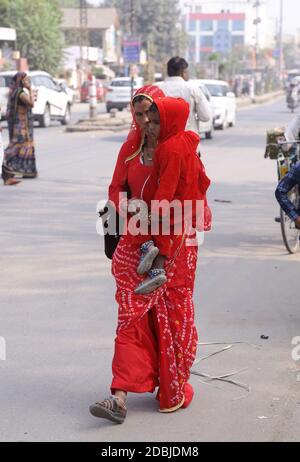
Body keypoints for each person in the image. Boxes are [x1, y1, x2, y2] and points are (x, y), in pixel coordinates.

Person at [89, 86, 211, 423]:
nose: (145, 122)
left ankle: (171, 385)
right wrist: (131, 212)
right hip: (137, 242)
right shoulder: (130, 149)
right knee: (130, 317)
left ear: (161, 115)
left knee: (173, 317)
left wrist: (167, 229)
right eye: (140, 115)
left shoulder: (181, 147)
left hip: (174, 248)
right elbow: (115, 189)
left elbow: (193, 195)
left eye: (150, 115)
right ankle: (119, 395)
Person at [132, 97, 211, 295]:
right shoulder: (183, 139)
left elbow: (167, 184)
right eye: (151, 122)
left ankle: (156, 267)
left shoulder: (170, 149)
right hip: (185, 201)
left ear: (171, 123)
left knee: (158, 224)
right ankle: (151, 254)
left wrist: (158, 209)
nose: (151, 128)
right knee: (154, 219)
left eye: (158, 123)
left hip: (177, 202)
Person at [155, 56, 211, 137]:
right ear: (183, 72)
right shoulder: (193, 90)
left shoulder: (157, 90)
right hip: (188, 141)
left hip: (163, 141)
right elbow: (206, 116)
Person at [2, 72, 37, 185]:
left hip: (20, 123)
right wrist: (30, 89)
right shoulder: (20, 93)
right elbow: (31, 104)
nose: (28, 82)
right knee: (16, 147)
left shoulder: (15, 92)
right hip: (21, 125)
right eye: (26, 80)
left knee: (20, 146)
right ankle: (7, 167)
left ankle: (17, 170)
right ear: (21, 81)